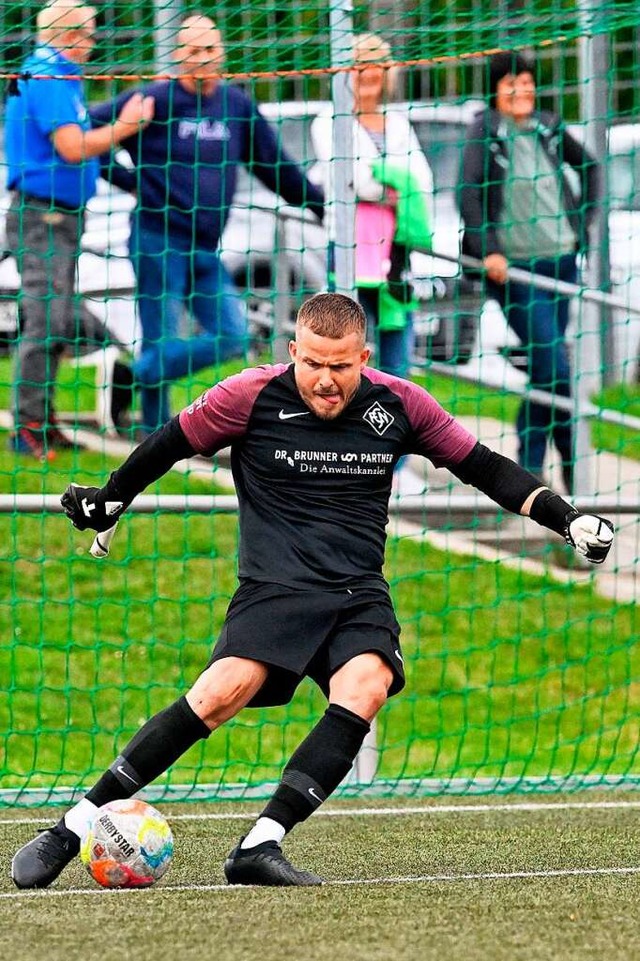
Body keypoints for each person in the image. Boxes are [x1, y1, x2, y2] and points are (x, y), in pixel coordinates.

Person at [11, 292, 614, 889]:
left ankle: (260, 843)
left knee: (368, 684)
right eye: (314, 363)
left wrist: (568, 520)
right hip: (276, 584)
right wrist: (111, 496)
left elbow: (483, 466)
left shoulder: (401, 403)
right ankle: (71, 828)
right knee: (223, 692)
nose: (326, 379)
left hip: (357, 590)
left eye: (341, 366)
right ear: (293, 350)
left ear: (364, 357)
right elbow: (171, 441)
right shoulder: (247, 395)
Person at [91, 14, 325, 435]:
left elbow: (275, 167)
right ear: (178, 56)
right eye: (194, 51)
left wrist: (321, 205)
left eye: (211, 50)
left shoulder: (237, 107)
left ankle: (126, 377)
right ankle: (154, 432)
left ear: (223, 54)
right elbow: (90, 129)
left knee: (231, 335)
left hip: (205, 244)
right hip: (156, 236)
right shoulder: (153, 100)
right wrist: (129, 181)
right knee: (160, 337)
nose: (204, 58)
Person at [5, 0, 154, 461]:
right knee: (46, 318)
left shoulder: (59, 76)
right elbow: (72, 147)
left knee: (55, 317)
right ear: (70, 35)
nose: (92, 43)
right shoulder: (48, 72)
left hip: (61, 215)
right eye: (88, 34)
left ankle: (43, 421)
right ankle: (27, 426)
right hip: (42, 215)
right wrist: (126, 126)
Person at [459, 51, 600, 494]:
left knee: (549, 369)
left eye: (526, 81)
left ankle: (538, 473)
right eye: (510, 82)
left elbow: (591, 168)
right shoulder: (485, 131)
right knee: (554, 363)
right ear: (496, 89)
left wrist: (583, 224)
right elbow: (467, 195)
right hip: (515, 272)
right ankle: (549, 467)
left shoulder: (549, 125)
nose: (520, 89)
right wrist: (490, 250)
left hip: (560, 263)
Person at [310, 33, 433, 379]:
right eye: (359, 66)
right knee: (344, 347)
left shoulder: (399, 124)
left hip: (395, 250)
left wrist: (389, 182)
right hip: (350, 247)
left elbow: (422, 180)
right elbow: (355, 180)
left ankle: (396, 423)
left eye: (376, 66)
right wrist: (398, 185)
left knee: (397, 346)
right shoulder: (329, 121)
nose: (368, 74)